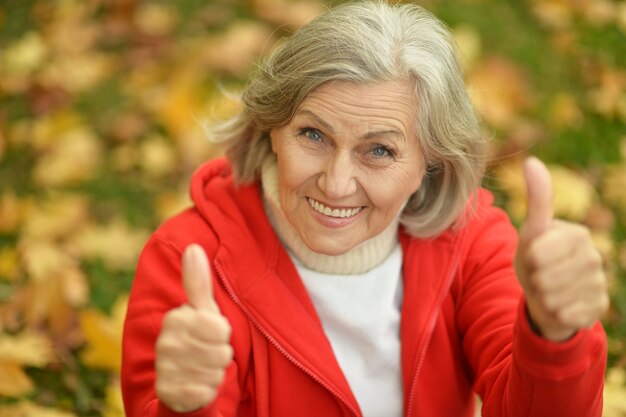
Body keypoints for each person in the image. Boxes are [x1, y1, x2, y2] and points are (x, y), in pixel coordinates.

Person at [121, 2, 609, 417]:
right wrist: (185, 405)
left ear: (430, 162)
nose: (336, 184)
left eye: (379, 151)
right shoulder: (186, 260)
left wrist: (555, 337)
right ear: (272, 127)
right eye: (312, 135)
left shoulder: (473, 242)